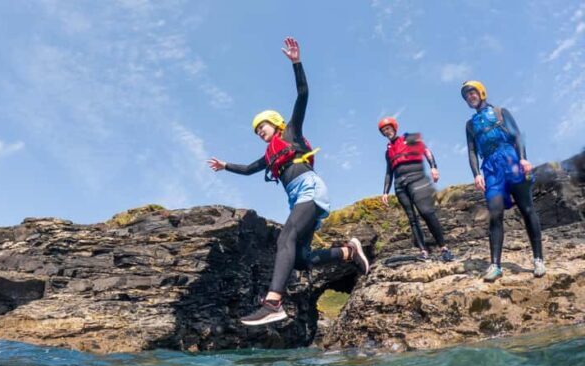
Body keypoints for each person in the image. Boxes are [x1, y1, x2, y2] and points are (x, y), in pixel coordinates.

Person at [207, 37, 369, 326]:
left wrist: (297, 63)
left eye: (262, 126)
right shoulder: (269, 156)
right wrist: (225, 165)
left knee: (286, 237)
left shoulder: (291, 133)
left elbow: (303, 94)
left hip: (310, 187)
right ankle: (348, 252)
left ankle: (273, 302)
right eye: (256, 130)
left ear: (275, 123)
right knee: (300, 259)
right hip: (297, 197)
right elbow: (247, 169)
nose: (260, 132)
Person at [461, 80, 544, 281]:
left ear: (481, 92)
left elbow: (517, 136)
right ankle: (495, 265)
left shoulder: (500, 111)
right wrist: (476, 174)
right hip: (490, 168)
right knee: (495, 214)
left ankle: (538, 259)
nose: (470, 97)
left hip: (510, 160)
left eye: (472, 93)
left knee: (527, 209)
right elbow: (472, 151)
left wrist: (523, 158)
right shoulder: (470, 125)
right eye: (466, 96)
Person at [378, 117, 453, 261]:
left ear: (394, 128)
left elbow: (426, 151)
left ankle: (444, 248)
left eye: (388, 129)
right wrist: (385, 192)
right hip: (400, 185)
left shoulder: (409, 138)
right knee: (412, 219)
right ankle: (423, 251)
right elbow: (389, 172)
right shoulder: (388, 152)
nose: (386, 132)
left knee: (427, 212)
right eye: (383, 131)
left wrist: (433, 167)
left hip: (415, 179)